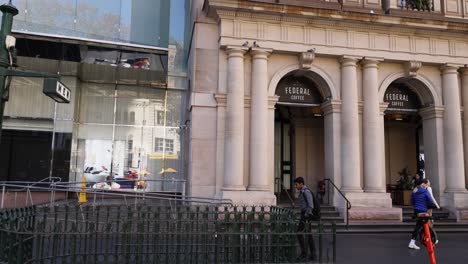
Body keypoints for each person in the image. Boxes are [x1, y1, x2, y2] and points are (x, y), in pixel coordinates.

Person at [294, 177, 317, 262]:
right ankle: (313, 254)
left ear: (301, 184)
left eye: (296, 185)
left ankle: (305, 253)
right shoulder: (302, 192)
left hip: (306, 215)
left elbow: (311, 205)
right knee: (308, 234)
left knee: (299, 233)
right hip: (304, 214)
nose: (295, 186)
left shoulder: (306, 191)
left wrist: (306, 215)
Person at [408, 178, 435, 250]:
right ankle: (413, 242)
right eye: (426, 184)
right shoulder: (425, 191)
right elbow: (430, 200)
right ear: (423, 184)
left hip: (416, 210)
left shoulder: (415, 190)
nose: (427, 185)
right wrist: (431, 205)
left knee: (420, 225)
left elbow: (412, 200)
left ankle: (414, 242)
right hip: (423, 210)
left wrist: (416, 205)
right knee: (419, 226)